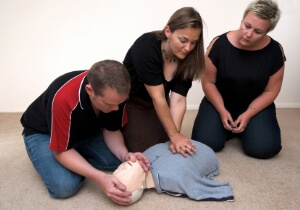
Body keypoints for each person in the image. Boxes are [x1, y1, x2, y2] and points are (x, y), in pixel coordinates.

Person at [20, 60, 150, 205]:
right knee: (64, 186)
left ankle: (75, 156)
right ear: (90, 91)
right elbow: (62, 152)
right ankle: (70, 155)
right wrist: (99, 177)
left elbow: (111, 130)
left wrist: (124, 155)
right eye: (109, 104)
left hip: (84, 131)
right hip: (43, 133)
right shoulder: (63, 98)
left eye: (119, 103)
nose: (116, 109)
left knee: (118, 161)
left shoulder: (116, 95)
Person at [192, 0, 286, 159]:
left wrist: (248, 114)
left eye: (258, 31)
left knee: (264, 149)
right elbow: (208, 82)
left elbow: (271, 90)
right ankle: (230, 126)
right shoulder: (219, 44)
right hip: (219, 102)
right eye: (247, 26)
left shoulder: (275, 51)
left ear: (267, 32)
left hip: (256, 106)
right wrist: (222, 110)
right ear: (242, 19)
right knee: (206, 143)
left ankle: (245, 128)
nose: (248, 34)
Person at [121, 7, 205, 156]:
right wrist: (174, 136)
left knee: (166, 142)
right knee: (141, 148)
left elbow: (178, 99)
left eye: (194, 43)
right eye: (183, 40)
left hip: (159, 103)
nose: (188, 48)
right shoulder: (146, 46)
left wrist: (174, 135)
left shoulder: (190, 57)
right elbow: (157, 97)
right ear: (168, 31)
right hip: (132, 101)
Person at [113, 140, 234, 205]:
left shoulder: (143, 156)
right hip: (207, 155)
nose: (122, 167)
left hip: (184, 141)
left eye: (118, 170)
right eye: (123, 175)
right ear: (139, 186)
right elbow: (196, 188)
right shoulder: (173, 179)